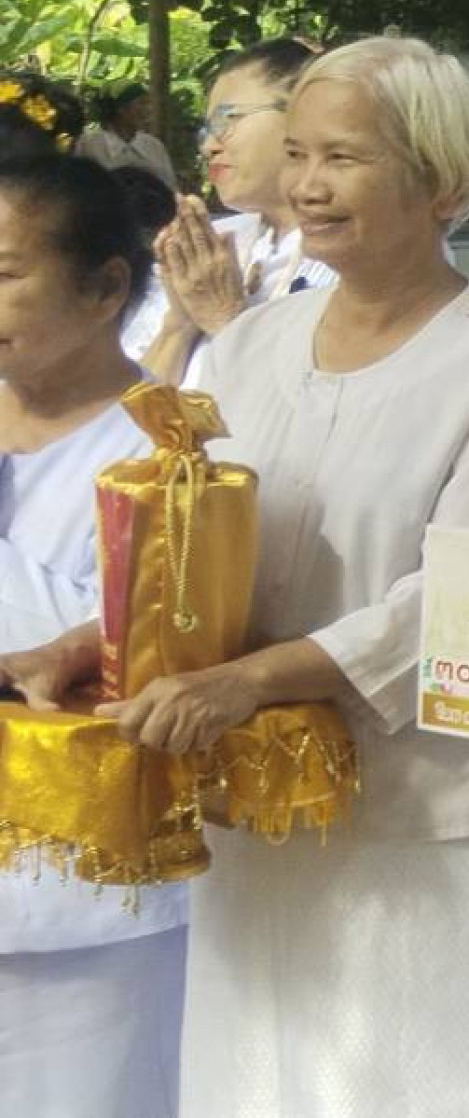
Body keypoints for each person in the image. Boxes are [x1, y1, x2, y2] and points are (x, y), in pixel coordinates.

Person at [97, 37, 469, 1116]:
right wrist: (106, 644)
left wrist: (250, 679)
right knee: (248, 1082)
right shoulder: (253, 343)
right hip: (253, 799)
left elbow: (461, 593)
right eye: (298, 152)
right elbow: (200, 547)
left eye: (344, 158)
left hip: (426, 820)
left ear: (442, 177)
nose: (307, 184)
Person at [0, 150, 184, 1117]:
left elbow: (164, 651)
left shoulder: (174, 450)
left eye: (2, 274)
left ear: (106, 285)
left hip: (85, 891)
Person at [143, 36, 330, 385]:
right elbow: (127, 422)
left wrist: (225, 317)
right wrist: (179, 327)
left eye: (227, 121)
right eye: (207, 130)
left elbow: (316, 414)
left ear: (304, 115)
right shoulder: (216, 246)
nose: (209, 147)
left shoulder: (360, 253)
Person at [77, 82, 178, 189]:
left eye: (148, 103)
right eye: (142, 103)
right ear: (121, 109)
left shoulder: (154, 146)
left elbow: (170, 188)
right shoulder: (89, 145)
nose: (148, 109)